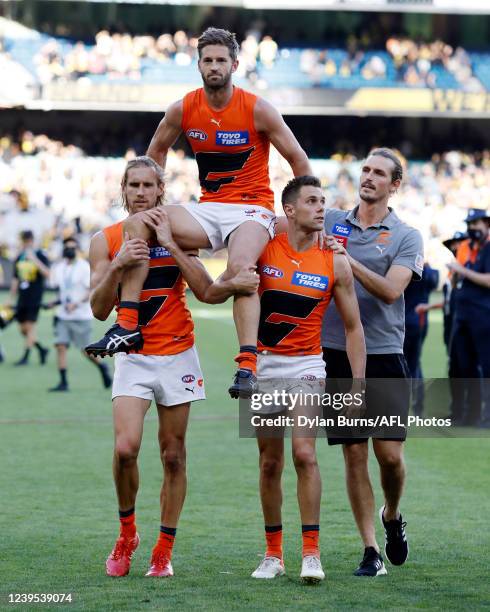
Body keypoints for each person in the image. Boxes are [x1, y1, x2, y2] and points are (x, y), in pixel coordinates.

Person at [86, 27, 312, 399]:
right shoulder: (184, 108)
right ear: (199, 65)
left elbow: (298, 159)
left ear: (235, 64)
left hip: (252, 209)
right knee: (140, 222)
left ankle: (246, 365)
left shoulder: (258, 108)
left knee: (241, 271)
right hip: (209, 207)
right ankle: (127, 323)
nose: (214, 66)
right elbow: (154, 152)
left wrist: (308, 212)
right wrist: (157, 202)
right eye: (207, 60)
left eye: (221, 60)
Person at [90, 156, 257, 578]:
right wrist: (118, 263)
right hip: (133, 356)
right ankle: (127, 533)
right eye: (134, 186)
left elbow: (205, 290)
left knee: (173, 456)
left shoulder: (178, 231)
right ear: (123, 191)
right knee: (125, 449)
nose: (142, 192)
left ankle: (164, 549)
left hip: (178, 353)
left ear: (160, 191)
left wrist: (173, 242)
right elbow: (97, 308)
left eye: (149, 185)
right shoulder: (104, 239)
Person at [251, 176, 366, 582]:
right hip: (264, 367)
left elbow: (353, 328)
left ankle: (312, 554)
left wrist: (357, 384)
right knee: (269, 463)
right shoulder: (263, 250)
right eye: (313, 201)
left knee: (305, 454)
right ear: (290, 210)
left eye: (324, 200)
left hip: (306, 366)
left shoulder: (335, 260)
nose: (322, 208)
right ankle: (272, 553)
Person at [323, 148, 424, 577]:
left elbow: (390, 291)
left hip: (383, 353)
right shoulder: (329, 221)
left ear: (394, 184)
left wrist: (346, 261)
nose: (367, 177)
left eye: (379, 173)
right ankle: (369, 550)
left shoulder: (406, 236)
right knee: (352, 453)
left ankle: (392, 515)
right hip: (334, 352)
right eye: (365, 169)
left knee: (390, 458)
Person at [45, 236, 112, 392]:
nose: (70, 250)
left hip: (81, 316)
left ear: (77, 249)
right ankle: (63, 382)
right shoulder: (59, 267)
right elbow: (60, 289)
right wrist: (54, 303)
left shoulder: (83, 267)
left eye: (73, 247)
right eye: (67, 247)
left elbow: (91, 289)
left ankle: (102, 367)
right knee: (60, 345)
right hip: (62, 315)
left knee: (85, 351)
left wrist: (75, 304)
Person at [447, 208, 490, 428]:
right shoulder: (470, 248)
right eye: (470, 225)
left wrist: (462, 271)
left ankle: (486, 416)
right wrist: (457, 274)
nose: (472, 229)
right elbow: (457, 283)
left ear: (486, 225)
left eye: (476, 225)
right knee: (464, 366)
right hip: (463, 316)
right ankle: (469, 414)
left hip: (483, 315)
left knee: (486, 366)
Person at [8, 230, 50, 366]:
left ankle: (25, 357)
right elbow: (15, 279)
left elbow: (47, 273)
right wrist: (10, 298)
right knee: (23, 329)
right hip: (22, 296)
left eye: (28, 241)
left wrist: (34, 260)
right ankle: (41, 349)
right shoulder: (20, 257)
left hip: (35, 296)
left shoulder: (40, 255)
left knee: (30, 327)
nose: (26, 244)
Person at [403, 262, 439, 415]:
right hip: (419, 322)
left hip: (406, 322)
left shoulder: (406, 269)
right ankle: (418, 406)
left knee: (407, 364)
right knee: (414, 364)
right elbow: (433, 281)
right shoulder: (429, 273)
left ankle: (409, 405)